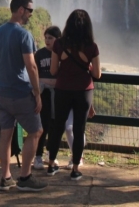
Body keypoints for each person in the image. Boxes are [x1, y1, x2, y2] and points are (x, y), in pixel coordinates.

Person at [0, 0, 47, 192]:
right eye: (30, 10)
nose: (31, 14)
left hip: (2, 92)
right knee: (36, 131)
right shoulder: (24, 35)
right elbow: (31, 66)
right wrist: (37, 93)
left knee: (5, 134)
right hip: (20, 93)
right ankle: (25, 177)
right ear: (21, 10)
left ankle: (6, 178)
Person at [46, 10, 100, 181]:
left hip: (62, 90)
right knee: (79, 129)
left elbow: (53, 70)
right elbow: (97, 74)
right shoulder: (92, 46)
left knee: (57, 128)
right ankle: (75, 168)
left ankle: (51, 164)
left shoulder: (59, 44)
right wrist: (88, 67)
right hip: (83, 91)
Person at [33, 26, 62, 170]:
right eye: (46, 37)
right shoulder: (39, 54)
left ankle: (51, 155)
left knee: (54, 126)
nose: (47, 40)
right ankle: (37, 156)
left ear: (58, 39)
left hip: (57, 95)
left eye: (51, 38)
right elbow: (34, 73)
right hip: (43, 94)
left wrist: (47, 81)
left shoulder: (62, 54)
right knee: (42, 125)